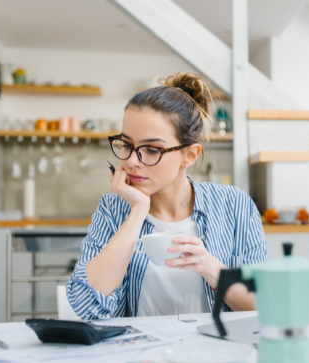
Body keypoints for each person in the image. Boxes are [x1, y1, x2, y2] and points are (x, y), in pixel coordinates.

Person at [68, 72, 268, 319]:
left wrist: (209, 266)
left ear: (190, 155)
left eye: (152, 150)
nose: (131, 161)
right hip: (138, 354)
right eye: (126, 145)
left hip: (215, 352)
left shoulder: (234, 205)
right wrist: (138, 211)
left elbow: (262, 306)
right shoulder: (113, 208)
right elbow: (86, 307)